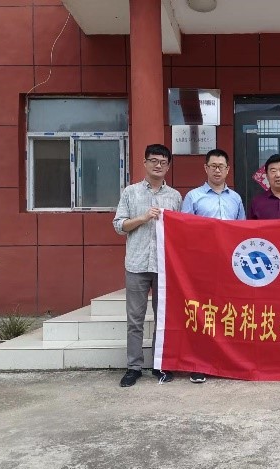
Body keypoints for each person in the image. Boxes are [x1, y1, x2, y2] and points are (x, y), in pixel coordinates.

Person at [113, 144, 182, 387]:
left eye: (163, 162)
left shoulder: (174, 196)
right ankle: (133, 367)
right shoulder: (130, 193)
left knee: (163, 318)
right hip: (137, 264)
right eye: (153, 160)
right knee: (135, 319)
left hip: (164, 266)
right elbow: (119, 226)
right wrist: (143, 218)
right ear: (144, 163)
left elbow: (181, 231)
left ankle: (160, 364)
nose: (158, 165)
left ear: (168, 166)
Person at [181, 148, 246, 383]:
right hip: (203, 265)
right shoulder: (193, 197)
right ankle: (199, 364)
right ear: (206, 168)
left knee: (228, 312)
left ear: (228, 170)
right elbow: (184, 230)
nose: (217, 170)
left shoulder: (235, 198)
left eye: (221, 166)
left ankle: (229, 362)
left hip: (230, 265)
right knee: (203, 313)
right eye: (213, 166)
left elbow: (242, 230)